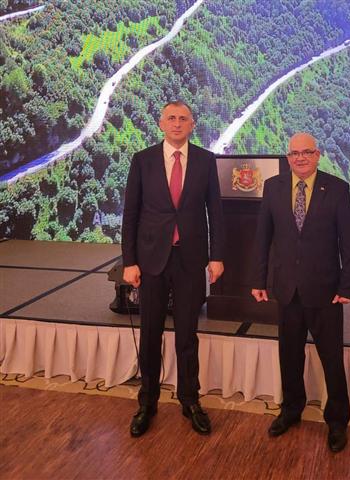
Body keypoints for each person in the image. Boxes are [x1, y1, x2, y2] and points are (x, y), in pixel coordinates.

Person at [122, 100, 225, 437]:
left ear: (192, 124)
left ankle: (190, 400)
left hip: (190, 261)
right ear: (161, 123)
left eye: (183, 118)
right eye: (171, 118)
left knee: (187, 335)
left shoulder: (206, 160)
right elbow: (131, 214)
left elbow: (215, 212)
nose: (177, 123)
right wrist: (129, 261)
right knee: (150, 333)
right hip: (151, 260)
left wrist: (216, 256)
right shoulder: (143, 160)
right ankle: (147, 403)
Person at [251, 132, 350, 453]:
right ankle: (291, 410)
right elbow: (262, 239)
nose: (300, 158)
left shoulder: (337, 188)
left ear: (317, 155)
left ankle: (337, 420)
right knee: (289, 355)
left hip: (326, 291)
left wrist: (348, 285)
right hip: (287, 290)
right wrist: (259, 280)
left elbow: (348, 242)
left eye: (306, 152)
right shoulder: (273, 187)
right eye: (294, 153)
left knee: (331, 358)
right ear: (288, 157)